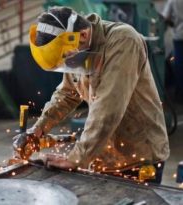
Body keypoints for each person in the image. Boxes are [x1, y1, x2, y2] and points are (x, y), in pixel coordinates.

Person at [13, 6, 170, 183]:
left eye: (66, 59)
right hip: (102, 155)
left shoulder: (123, 40)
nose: (69, 64)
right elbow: (67, 93)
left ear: (85, 35)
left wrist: (76, 158)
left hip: (138, 157)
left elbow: (109, 107)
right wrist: (40, 128)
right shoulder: (74, 47)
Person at [162, 0, 183, 101]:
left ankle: (180, 93)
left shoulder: (173, 1)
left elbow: (166, 18)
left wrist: (174, 25)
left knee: (179, 65)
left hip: (179, 36)